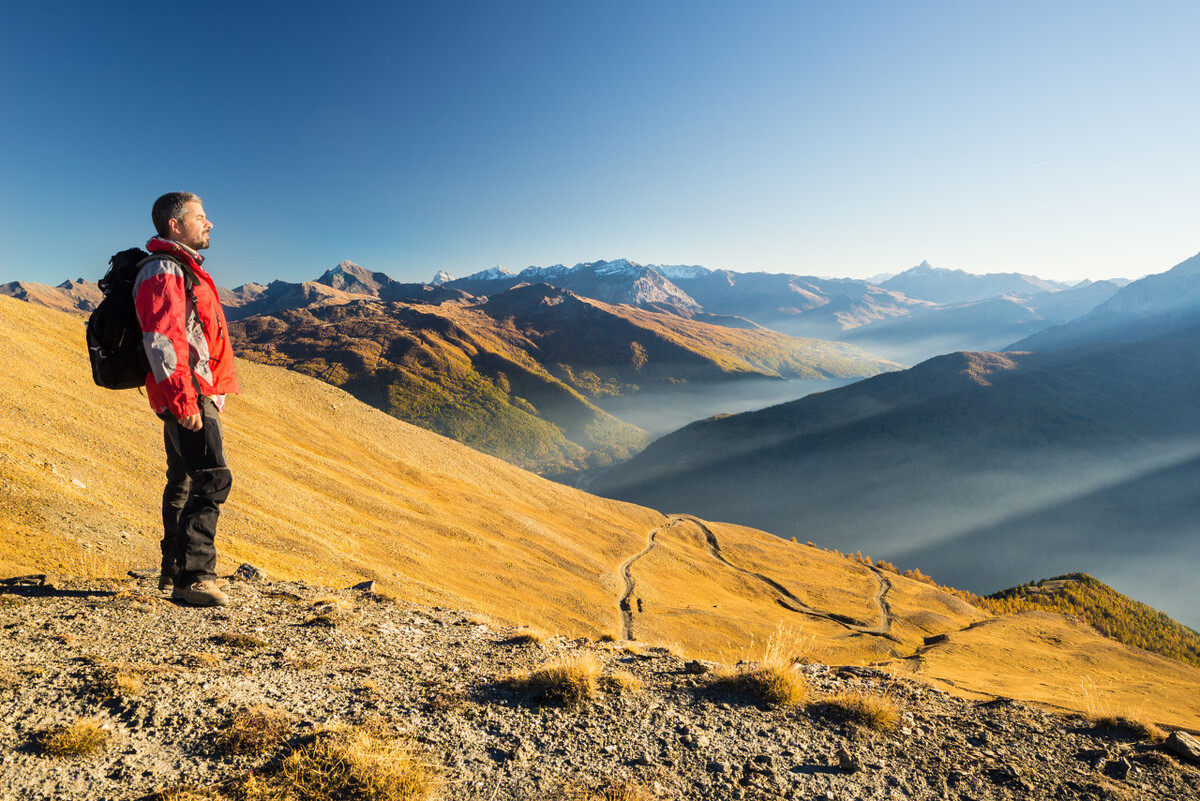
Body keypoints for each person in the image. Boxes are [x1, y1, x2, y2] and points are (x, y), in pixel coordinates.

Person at [134, 192, 240, 606]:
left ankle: (172, 571)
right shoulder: (166, 269)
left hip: (192, 392)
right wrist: (187, 401)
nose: (209, 223)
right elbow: (163, 340)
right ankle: (194, 578)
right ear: (175, 225)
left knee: (182, 479)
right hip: (187, 394)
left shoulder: (180, 267)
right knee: (213, 477)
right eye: (201, 217)